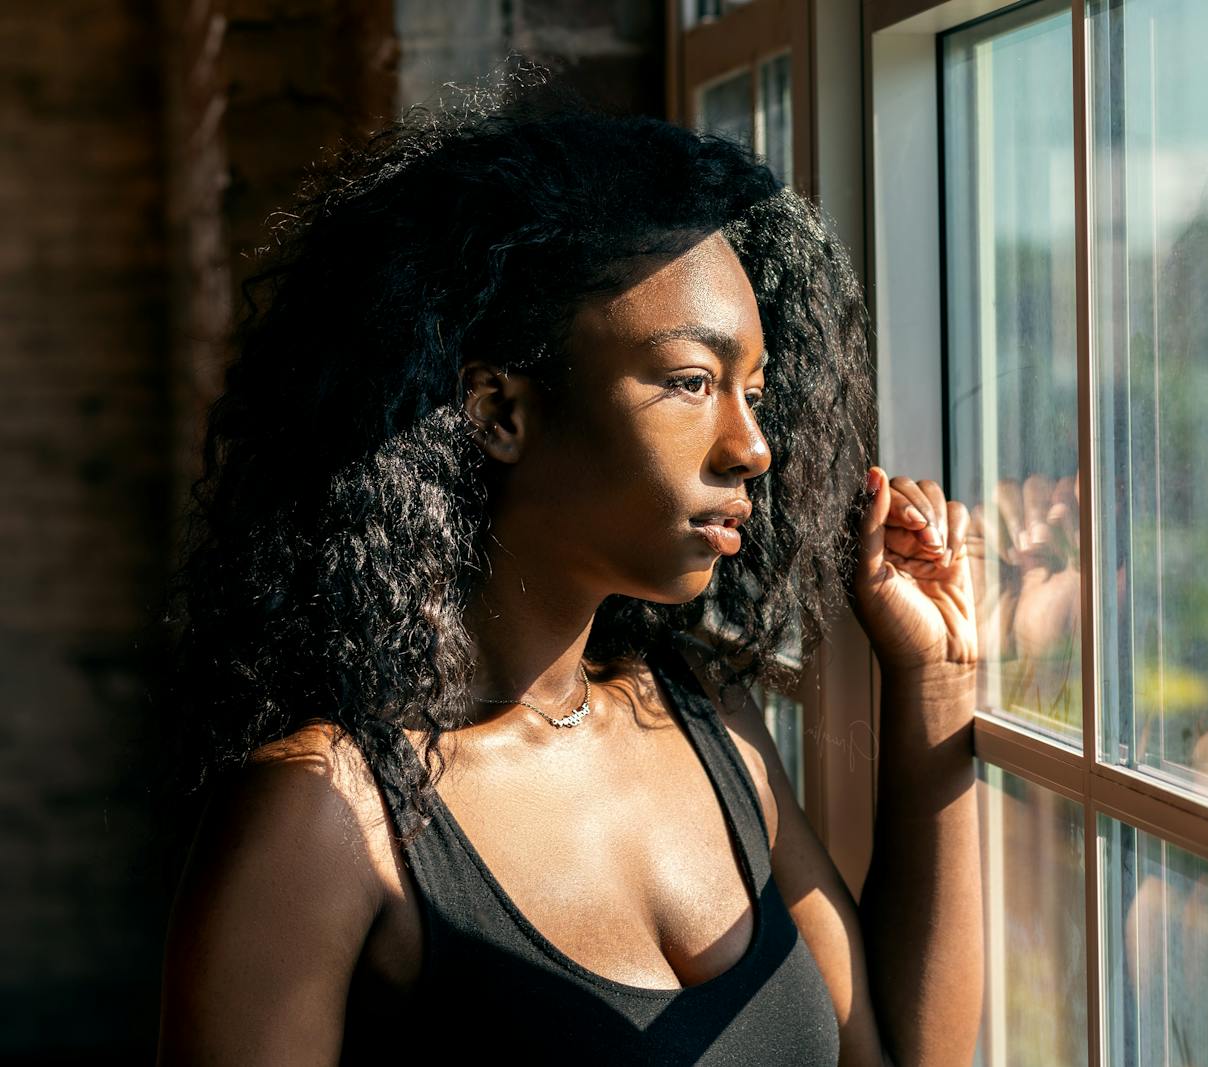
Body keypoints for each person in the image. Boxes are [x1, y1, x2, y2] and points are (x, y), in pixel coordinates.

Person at [157, 81, 983, 1065]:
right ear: (500, 411)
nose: (752, 446)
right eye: (691, 381)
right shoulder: (323, 818)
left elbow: (889, 1058)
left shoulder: (704, 713)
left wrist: (934, 683)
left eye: (754, 392)